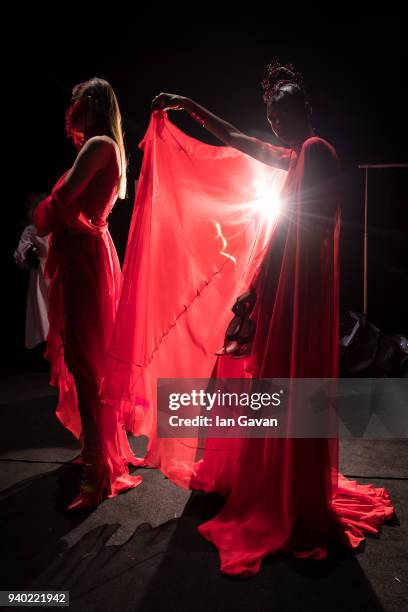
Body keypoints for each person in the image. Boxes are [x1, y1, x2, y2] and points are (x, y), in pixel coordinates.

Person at [35, 77, 142, 510]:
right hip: (80, 257)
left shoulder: (99, 146)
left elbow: (60, 201)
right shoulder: (97, 146)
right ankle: (95, 449)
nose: (71, 111)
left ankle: (98, 472)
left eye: (77, 101)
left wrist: (43, 212)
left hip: (86, 262)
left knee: (87, 362)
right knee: (82, 360)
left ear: (92, 104)